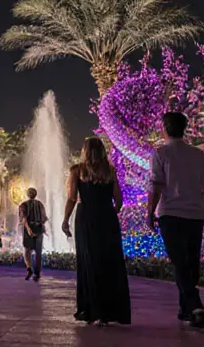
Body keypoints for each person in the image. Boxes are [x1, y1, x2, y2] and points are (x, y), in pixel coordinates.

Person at [148, 111, 204, 329]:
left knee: (180, 262)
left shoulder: (160, 154)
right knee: (190, 262)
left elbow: (156, 186)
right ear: (184, 128)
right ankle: (185, 309)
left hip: (170, 214)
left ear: (164, 128)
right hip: (195, 214)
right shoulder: (200, 156)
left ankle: (195, 304)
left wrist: (149, 213)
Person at [62, 136, 132, 325]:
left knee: (88, 261)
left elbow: (71, 198)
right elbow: (118, 200)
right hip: (107, 219)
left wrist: (65, 220)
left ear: (85, 150)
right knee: (109, 261)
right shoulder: (110, 170)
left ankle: (91, 310)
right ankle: (110, 312)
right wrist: (109, 212)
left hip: (86, 219)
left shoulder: (77, 171)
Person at [18, 187, 47, 281]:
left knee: (27, 250)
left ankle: (29, 268)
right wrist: (42, 226)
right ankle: (37, 273)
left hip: (29, 229)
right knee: (38, 252)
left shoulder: (23, 205)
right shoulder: (40, 204)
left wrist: (29, 230)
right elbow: (43, 218)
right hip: (38, 229)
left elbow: (24, 219)